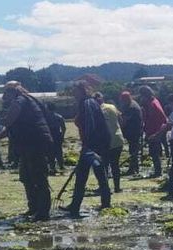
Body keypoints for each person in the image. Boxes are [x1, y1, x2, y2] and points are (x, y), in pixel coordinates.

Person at [0, 82, 54, 221]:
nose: (4, 97)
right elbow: (10, 127)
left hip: (34, 143)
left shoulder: (20, 101)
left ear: (12, 92)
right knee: (26, 177)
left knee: (38, 177)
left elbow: (8, 122)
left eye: (6, 93)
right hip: (29, 144)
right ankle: (33, 207)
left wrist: (0, 119)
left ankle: (43, 212)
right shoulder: (26, 100)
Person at [65, 80, 111, 217]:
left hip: (94, 144)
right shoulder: (86, 103)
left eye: (75, 91)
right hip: (94, 143)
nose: (73, 93)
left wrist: (88, 144)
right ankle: (77, 205)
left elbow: (90, 125)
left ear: (82, 91)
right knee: (86, 174)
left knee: (95, 173)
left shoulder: (88, 103)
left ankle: (78, 205)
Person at [94, 92, 125, 193]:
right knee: (115, 165)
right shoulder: (112, 106)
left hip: (106, 141)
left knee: (104, 165)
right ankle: (117, 187)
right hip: (118, 138)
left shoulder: (96, 110)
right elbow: (121, 120)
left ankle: (104, 187)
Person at [138, 86, 168, 178]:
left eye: (142, 96)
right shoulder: (154, 102)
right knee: (155, 152)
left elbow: (156, 119)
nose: (141, 98)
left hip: (155, 132)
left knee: (154, 153)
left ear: (145, 95)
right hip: (155, 131)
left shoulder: (152, 104)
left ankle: (158, 171)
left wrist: (153, 133)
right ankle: (158, 170)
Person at [118, 91, 143, 176]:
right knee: (133, 150)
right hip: (133, 131)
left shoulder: (131, 107)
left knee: (133, 150)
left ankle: (133, 168)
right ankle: (134, 167)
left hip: (133, 132)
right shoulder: (132, 104)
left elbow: (124, 120)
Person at [45, 102, 66, 174]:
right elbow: (63, 128)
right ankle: (61, 166)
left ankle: (52, 167)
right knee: (59, 151)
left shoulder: (46, 117)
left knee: (50, 152)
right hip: (57, 134)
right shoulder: (59, 117)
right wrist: (62, 136)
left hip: (50, 135)